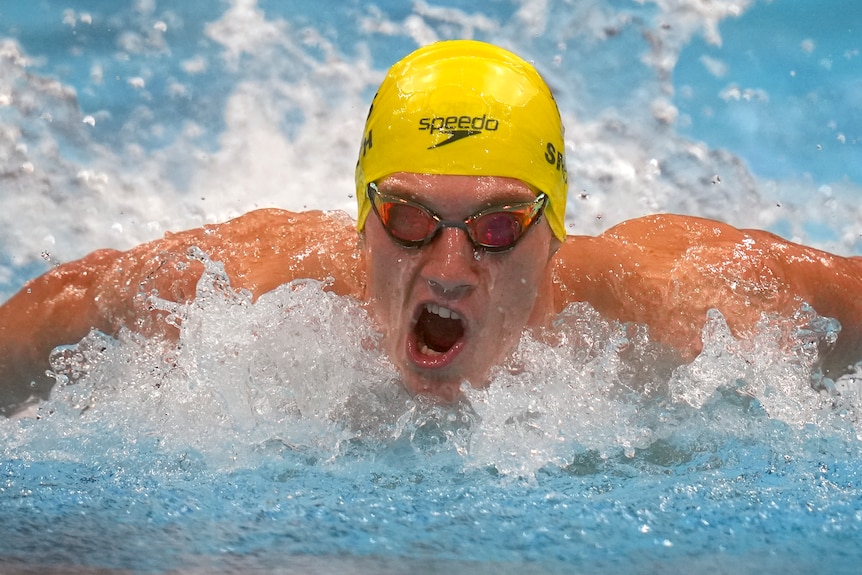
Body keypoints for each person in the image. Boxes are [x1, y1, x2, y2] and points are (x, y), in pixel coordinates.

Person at [1, 40, 861, 415]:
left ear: (554, 232)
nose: (450, 265)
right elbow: (60, 307)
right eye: (409, 218)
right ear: (362, 221)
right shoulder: (246, 292)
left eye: (496, 227)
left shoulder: (685, 307)